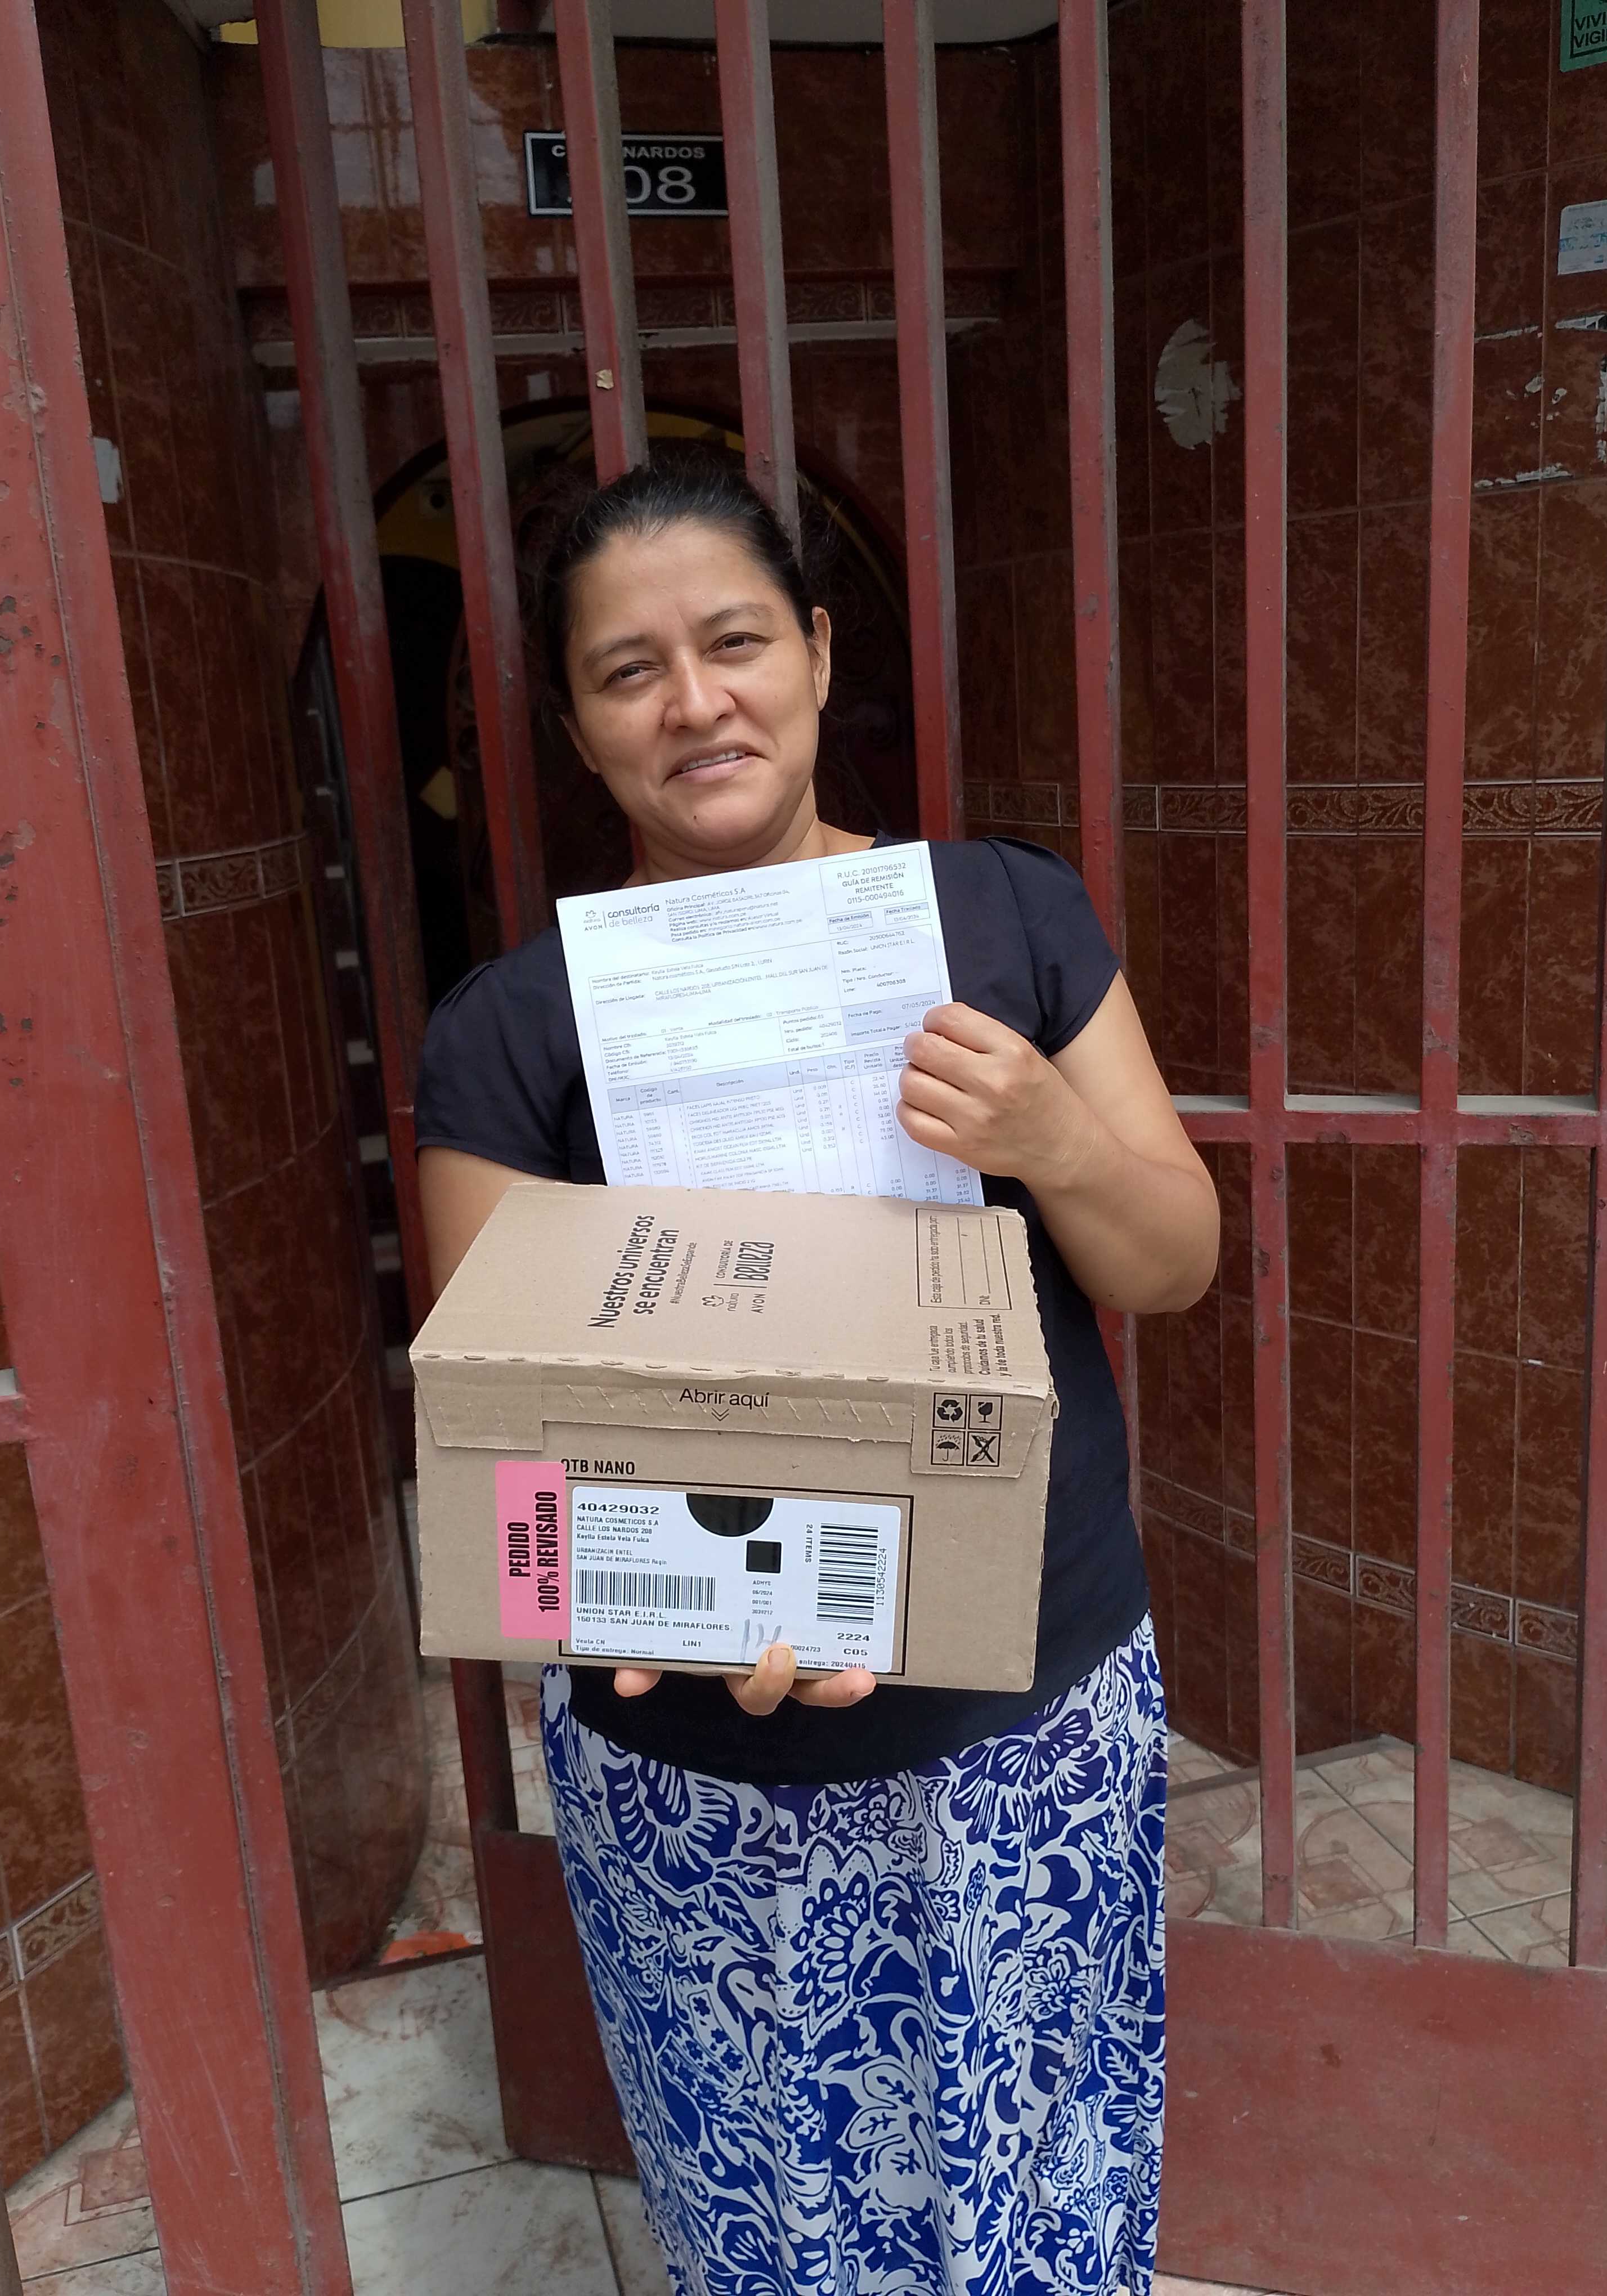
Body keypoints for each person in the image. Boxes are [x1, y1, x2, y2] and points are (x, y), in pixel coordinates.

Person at [416, 457, 1219, 2296]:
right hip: (705, 1768)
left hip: (1027, 1709)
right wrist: (682, 1602)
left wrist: (1052, 1139)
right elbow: (511, 1454)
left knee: (1046, 2191)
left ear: (821, 654)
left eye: (735, 643)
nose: (695, 703)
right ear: (577, 728)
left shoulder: (1005, 919)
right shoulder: (515, 1033)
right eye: (629, 672)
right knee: (776, 2226)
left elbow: (1174, 1263)